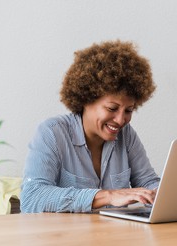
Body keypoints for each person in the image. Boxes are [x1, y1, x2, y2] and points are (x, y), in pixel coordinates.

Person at [20, 40, 160, 213]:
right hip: (66, 237)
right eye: (112, 108)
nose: (120, 119)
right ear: (86, 98)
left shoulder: (126, 136)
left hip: (114, 237)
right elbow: (32, 197)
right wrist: (107, 196)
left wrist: (163, 194)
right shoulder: (52, 133)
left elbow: (147, 182)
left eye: (129, 110)